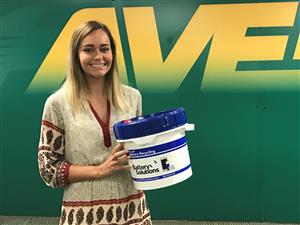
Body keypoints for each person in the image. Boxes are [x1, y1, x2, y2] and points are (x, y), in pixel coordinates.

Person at [38, 20, 152, 225]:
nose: (98, 57)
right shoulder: (57, 103)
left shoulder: (133, 98)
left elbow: (138, 152)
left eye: (104, 49)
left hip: (132, 209)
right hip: (83, 213)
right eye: (88, 49)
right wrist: (100, 169)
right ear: (76, 56)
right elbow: (48, 169)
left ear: (113, 54)